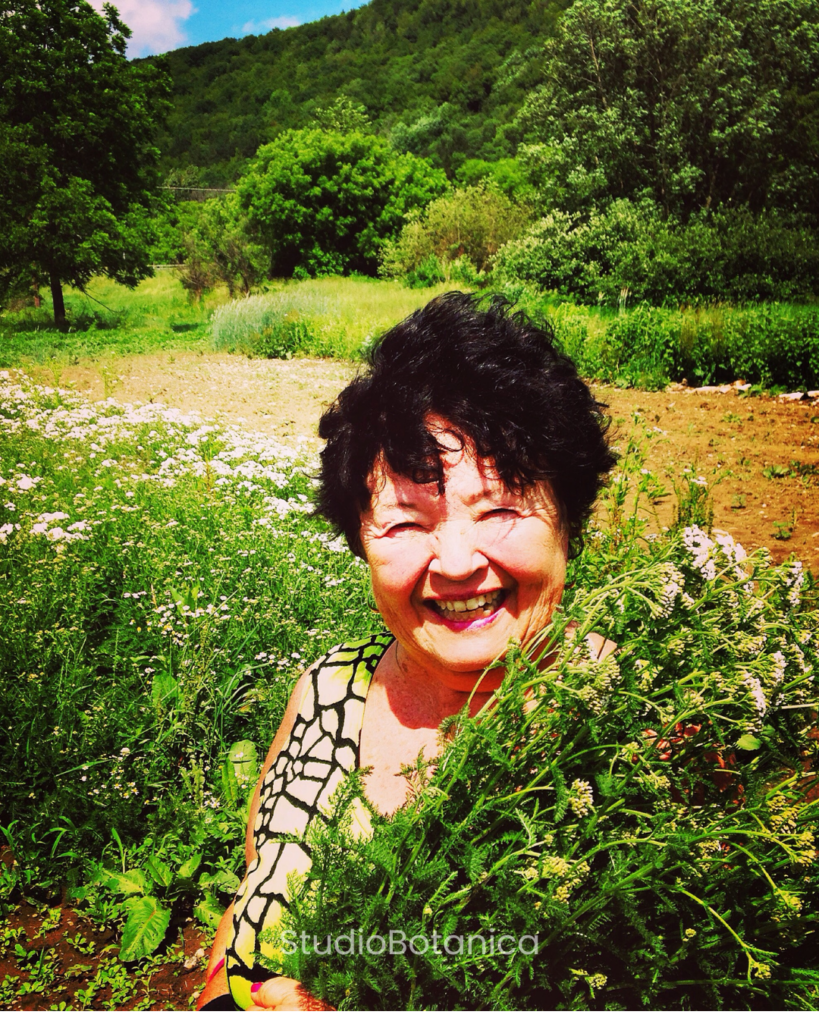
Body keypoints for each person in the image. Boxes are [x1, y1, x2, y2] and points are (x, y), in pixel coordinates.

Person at [197, 292, 617, 1011]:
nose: (454, 563)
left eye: (500, 509)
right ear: (359, 540)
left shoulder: (641, 713)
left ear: (568, 522)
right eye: (404, 523)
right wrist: (229, 1000)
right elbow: (250, 905)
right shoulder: (326, 693)